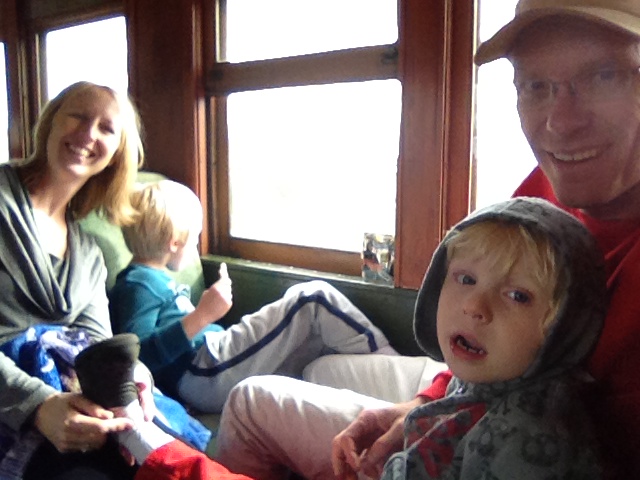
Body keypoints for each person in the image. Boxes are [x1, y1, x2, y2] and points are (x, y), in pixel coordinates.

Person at [214, 0, 640, 478]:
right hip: (484, 383)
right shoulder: (550, 186)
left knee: (251, 401)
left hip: (502, 428)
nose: (560, 123)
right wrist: (421, 405)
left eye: (605, 76)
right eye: (535, 86)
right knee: (320, 368)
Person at [109, 179, 397, 412]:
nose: (196, 245)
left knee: (315, 348)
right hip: (201, 371)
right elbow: (137, 357)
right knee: (311, 298)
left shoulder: (154, 280)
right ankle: (392, 365)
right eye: (195, 239)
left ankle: (382, 388)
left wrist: (204, 316)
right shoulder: (139, 282)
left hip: (207, 369)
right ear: (175, 242)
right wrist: (202, 316)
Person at [0, 81, 144, 479]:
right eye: (77, 117)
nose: (87, 134)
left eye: (106, 128)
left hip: (69, 405)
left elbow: (97, 347)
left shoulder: (89, 255)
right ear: (49, 124)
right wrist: (38, 406)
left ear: (116, 153)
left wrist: (132, 381)